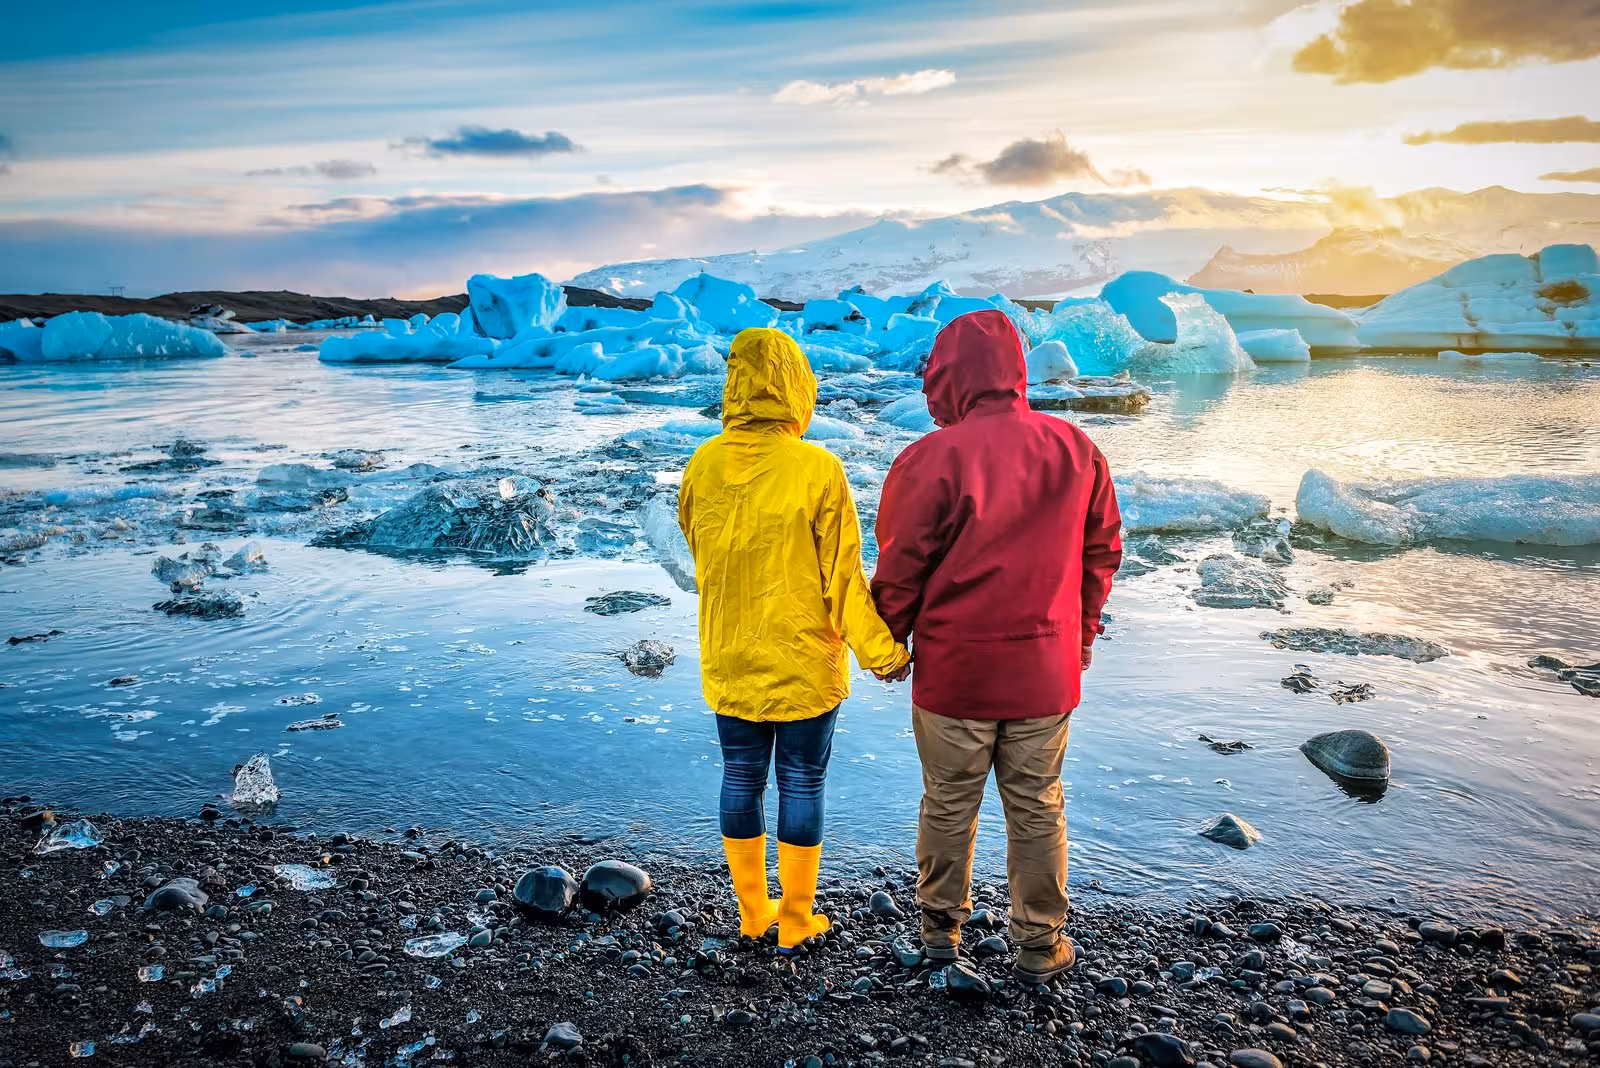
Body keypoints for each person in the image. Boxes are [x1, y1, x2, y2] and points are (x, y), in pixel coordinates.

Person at [870, 309, 1122, 984]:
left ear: (947, 377)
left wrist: (887, 641)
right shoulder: (1076, 448)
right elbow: (1102, 553)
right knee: (1038, 805)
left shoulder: (928, 459)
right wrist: (1083, 635)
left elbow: (900, 568)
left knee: (949, 803)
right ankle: (1040, 947)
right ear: (1015, 368)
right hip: (1046, 670)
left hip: (956, 675)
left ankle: (938, 938)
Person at [679, 327, 912, 952]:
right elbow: (844, 580)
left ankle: (753, 911)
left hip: (729, 652)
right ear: (795, 387)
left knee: (739, 775)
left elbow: (698, 548)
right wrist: (883, 653)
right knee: (803, 779)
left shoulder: (701, 463)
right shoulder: (817, 468)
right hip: (804, 657)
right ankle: (797, 918)